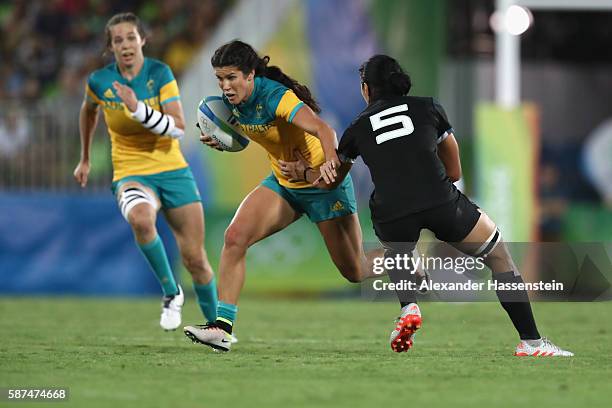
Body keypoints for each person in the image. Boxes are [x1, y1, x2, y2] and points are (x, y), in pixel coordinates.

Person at [312, 54, 573, 357]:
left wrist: (311, 174)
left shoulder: (355, 130)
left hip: (391, 209)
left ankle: (409, 306)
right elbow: (455, 171)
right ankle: (532, 343)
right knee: (500, 257)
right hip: (438, 198)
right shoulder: (428, 107)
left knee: (399, 251)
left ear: (367, 89)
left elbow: (332, 180)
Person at [183, 40, 383, 352]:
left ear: (250, 75)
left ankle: (404, 258)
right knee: (235, 237)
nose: (225, 86)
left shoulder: (275, 96)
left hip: (322, 185)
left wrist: (330, 166)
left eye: (232, 77)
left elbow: (324, 129)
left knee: (355, 270)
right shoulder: (231, 103)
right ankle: (222, 328)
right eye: (220, 78)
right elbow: (250, 136)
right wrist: (224, 141)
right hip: (284, 182)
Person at [73, 12, 219, 332]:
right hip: (131, 171)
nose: (125, 45)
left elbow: (178, 129)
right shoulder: (100, 81)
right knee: (140, 218)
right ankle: (171, 292)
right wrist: (85, 158)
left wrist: (138, 109)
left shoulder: (160, 73)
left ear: (143, 40)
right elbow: (88, 112)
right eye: (117, 40)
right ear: (110, 47)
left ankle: (217, 329)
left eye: (130, 38)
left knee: (195, 260)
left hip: (173, 170)